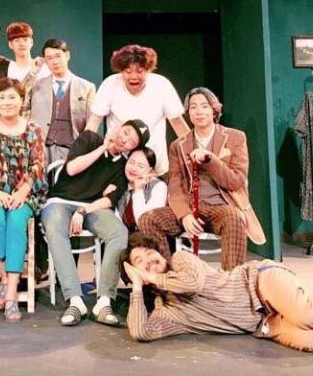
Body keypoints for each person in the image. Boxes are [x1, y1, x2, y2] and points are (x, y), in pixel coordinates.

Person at [121, 233, 313, 351]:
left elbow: (194, 284)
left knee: (306, 312)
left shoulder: (181, 261)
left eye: (148, 253)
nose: (148, 260)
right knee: (309, 340)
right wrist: (136, 285)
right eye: (139, 263)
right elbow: (141, 331)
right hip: (263, 322)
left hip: (260, 282)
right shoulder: (168, 311)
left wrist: (152, 276)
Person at [138, 87, 265, 270]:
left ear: (214, 110)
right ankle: (169, 277)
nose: (199, 112)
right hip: (191, 207)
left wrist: (211, 160)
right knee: (148, 219)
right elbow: (175, 186)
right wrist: (184, 215)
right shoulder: (178, 145)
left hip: (222, 206)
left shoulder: (235, 138)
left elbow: (236, 181)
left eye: (204, 106)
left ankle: (231, 281)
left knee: (234, 217)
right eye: (193, 107)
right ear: (188, 112)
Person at [40, 119, 149, 327]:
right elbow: (71, 169)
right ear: (119, 127)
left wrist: (83, 211)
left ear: (132, 149)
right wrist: (103, 148)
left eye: (131, 142)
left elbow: (109, 200)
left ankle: (104, 301)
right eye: (126, 132)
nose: (124, 139)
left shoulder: (123, 166)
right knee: (55, 224)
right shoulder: (90, 139)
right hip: (60, 201)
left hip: (91, 209)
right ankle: (75, 300)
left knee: (118, 232)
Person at [0, 78, 47, 322]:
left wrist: (23, 190)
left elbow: (38, 164)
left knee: (16, 221)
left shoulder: (33, 129)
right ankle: (4, 277)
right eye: (2, 97)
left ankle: (11, 293)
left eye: (12, 97)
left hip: (25, 192)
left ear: (21, 100)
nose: (7, 102)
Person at [85, 44, 189, 177]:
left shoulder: (162, 84)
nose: (133, 76)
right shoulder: (110, 84)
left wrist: (193, 151)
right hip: (116, 163)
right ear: (120, 71)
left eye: (140, 71)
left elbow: (178, 123)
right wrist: (83, 152)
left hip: (153, 165)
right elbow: (94, 121)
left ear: (149, 70)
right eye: (128, 72)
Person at [28, 38, 95, 171]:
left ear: (67, 55)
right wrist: (32, 73)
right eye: (49, 58)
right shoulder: (36, 85)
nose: (55, 61)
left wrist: (82, 151)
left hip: (71, 150)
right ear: (45, 61)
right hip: (40, 148)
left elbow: (91, 124)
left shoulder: (87, 87)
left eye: (58, 56)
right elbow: (20, 99)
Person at [115, 146, 167, 232]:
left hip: (150, 237)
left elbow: (146, 224)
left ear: (150, 171)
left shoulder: (158, 186)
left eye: (140, 166)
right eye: (131, 162)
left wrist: (138, 189)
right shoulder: (122, 186)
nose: (133, 168)